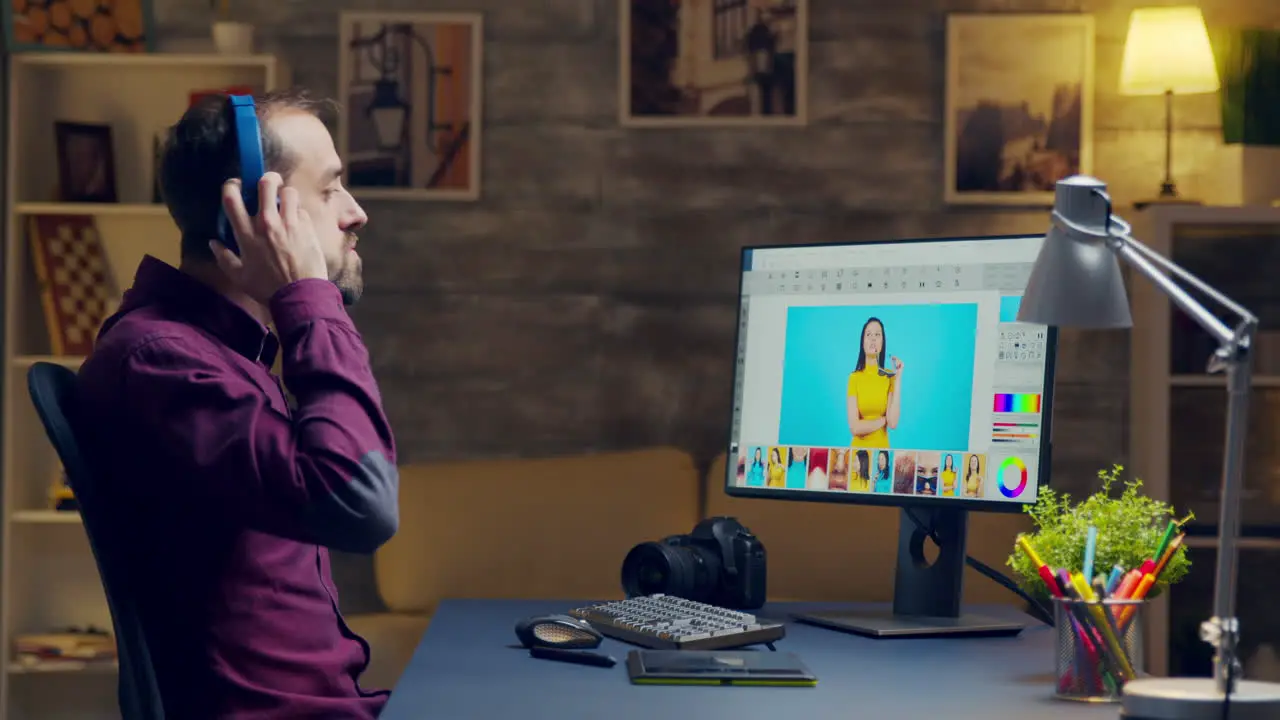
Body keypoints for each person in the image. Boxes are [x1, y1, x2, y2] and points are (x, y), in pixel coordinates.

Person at [74, 89, 398, 719]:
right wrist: (307, 294)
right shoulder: (160, 363)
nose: (356, 213)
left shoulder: (216, 357)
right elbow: (361, 504)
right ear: (252, 214)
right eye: (330, 190)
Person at [847, 317, 903, 448]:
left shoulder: (889, 377)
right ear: (862, 342)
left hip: (881, 450)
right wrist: (883, 421)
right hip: (857, 451)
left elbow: (893, 422)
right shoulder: (854, 378)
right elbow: (855, 428)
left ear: (882, 342)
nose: (873, 338)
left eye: (877, 335)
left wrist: (898, 377)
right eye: (869, 334)